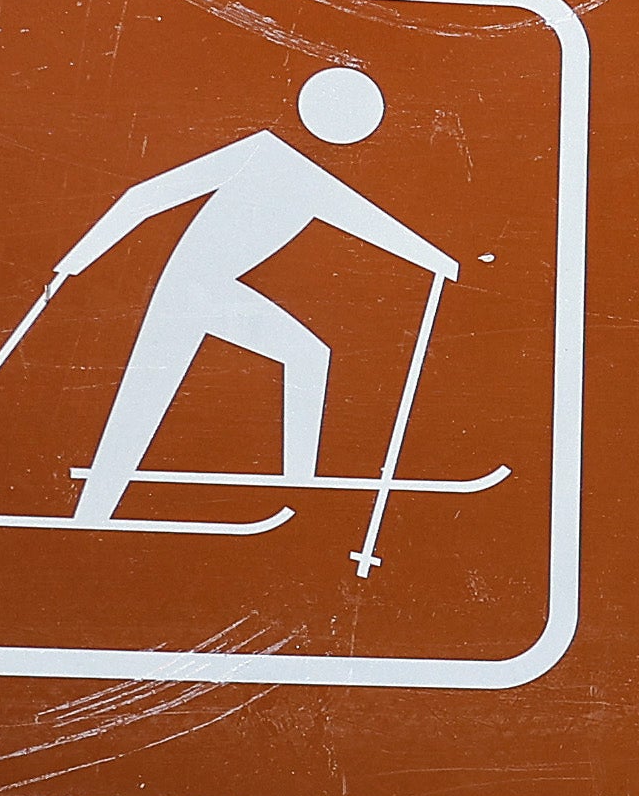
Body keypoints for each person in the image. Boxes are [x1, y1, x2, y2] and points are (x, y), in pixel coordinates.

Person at [49, 67, 457, 520]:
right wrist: (73, 264)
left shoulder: (314, 181)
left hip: (217, 293)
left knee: (307, 356)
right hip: (186, 291)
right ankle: (90, 516)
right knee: (142, 401)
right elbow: (145, 196)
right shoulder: (262, 152)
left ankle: (299, 484)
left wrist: (441, 263)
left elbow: (375, 227)